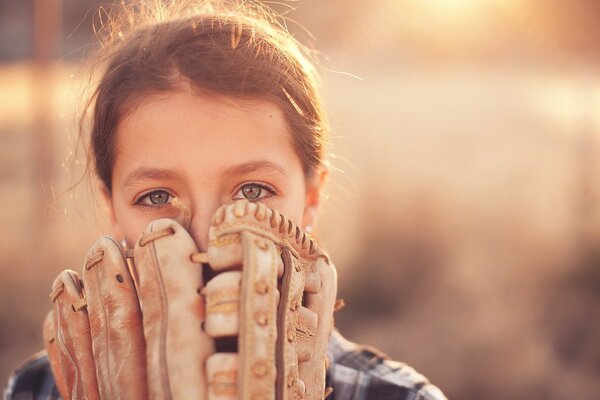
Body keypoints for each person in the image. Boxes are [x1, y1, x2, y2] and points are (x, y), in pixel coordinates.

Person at [4, 1, 446, 399]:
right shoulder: (39, 389)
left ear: (311, 198)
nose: (208, 239)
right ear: (112, 209)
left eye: (252, 192)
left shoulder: (395, 396)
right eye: (157, 196)